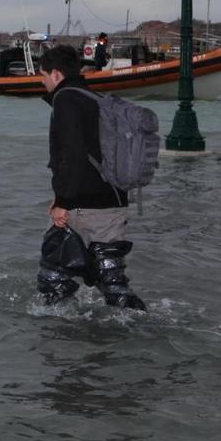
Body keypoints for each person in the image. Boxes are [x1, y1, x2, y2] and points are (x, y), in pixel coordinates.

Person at [36, 44, 146, 310]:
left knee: (55, 278)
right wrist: (59, 197)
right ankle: (131, 334)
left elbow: (71, 153)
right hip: (112, 199)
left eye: (42, 75)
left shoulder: (65, 99)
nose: (41, 81)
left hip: (85, 204)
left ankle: (56, 340)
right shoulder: (93, 98)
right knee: (111, 281)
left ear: (56, 75)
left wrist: (63, 200)